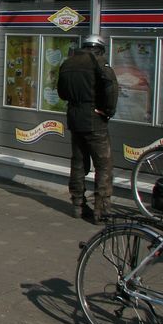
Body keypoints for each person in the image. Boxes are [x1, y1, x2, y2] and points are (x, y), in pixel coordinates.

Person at [57, 34, 119, 224]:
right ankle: (102, 211)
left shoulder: (68, 63)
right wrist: (108, 111)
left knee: (78, 163)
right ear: (99, 48)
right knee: (103, 165)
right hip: (94, 119)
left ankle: (77, 205)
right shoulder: (98, 62)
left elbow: (62, 93)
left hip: (74, 117)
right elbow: (111, 87)